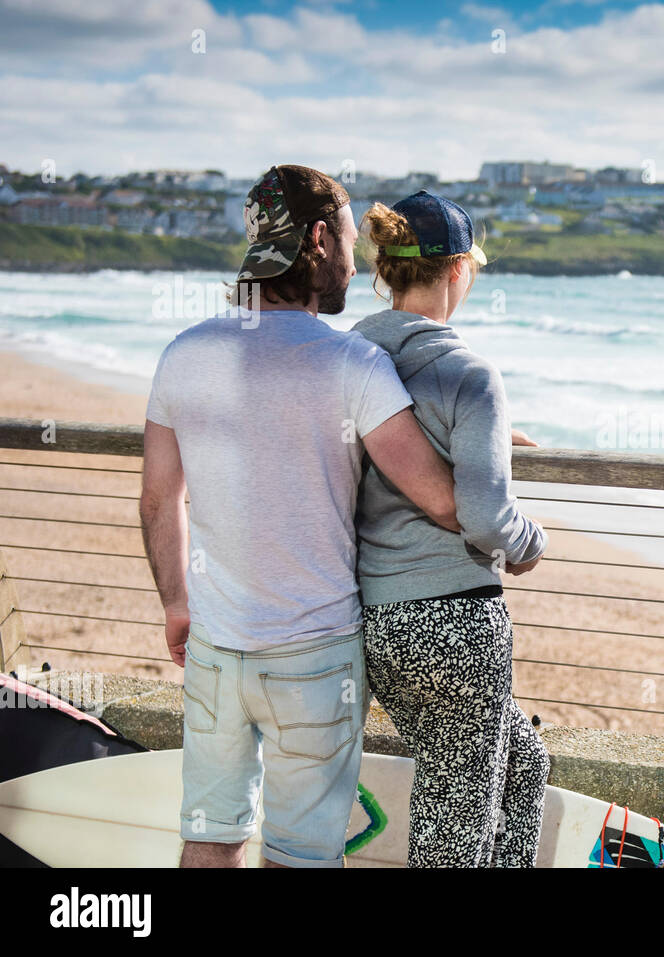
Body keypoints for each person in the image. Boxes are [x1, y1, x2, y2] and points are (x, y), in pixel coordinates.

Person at [139, 165, 461, 869]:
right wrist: (490, 449)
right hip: (316, 654)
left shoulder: (185, 354)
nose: (354, 262)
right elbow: (440, 496)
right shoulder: (352, 362)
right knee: (301, 854)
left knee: (209, 836)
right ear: (318, 240)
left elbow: (161, 500)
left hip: (216, 648)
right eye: (348, 242)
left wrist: (175, 605)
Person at [352, 190, 549, 867]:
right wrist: (532, 543)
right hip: (456, 625)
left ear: (386, 270)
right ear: (460, 270)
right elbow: (490, 518)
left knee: (523, 764)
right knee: (454, 830)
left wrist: (487, 443)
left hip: (378, 623)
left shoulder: (351, 359)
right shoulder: (470, 373)